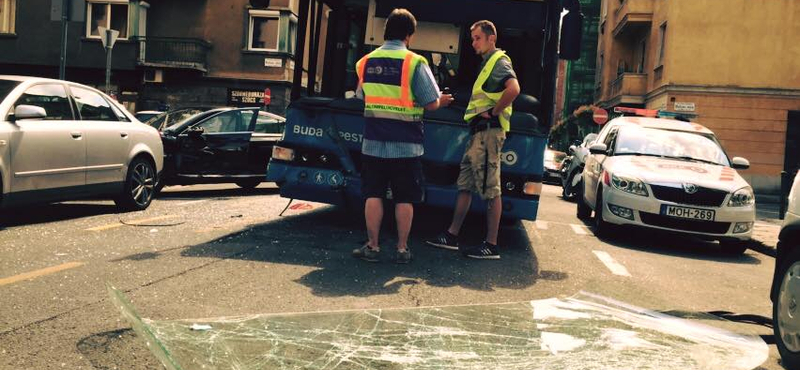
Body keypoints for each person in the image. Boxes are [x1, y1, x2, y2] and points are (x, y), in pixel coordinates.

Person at [351, 8, 454, 264]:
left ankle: (372, 247)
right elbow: (430, 102)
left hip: (373, 142)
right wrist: (442, 100)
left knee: (373, 194)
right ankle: (401, 249)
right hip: (406, 146)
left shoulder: (365, 62)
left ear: (386, 32)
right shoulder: (414, 62)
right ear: (409, 35)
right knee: (404, 197)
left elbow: (361, 97)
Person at [426, 20, 520, 260]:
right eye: (473, 38)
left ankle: (491, 244)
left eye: (478, 38)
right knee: (465, 185)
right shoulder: (488, 63)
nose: (473, 43)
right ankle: (452, 235)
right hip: (479, 133)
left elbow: (514, 89)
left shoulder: (499, 61)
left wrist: (494, 112)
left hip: (489, 133)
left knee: (491, 189)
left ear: (491, 38)